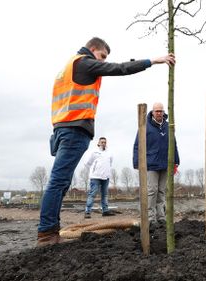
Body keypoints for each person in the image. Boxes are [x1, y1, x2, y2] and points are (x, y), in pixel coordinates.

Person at [37, 37, 175, 247]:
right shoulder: (83, 62)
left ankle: (50, 230)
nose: (101, 62)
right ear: (93, 50)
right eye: (101, 57)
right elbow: (119, 68)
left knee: (61, 182)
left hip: (61, 128)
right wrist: (152, 61)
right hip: (74, 129)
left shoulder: (67, 68)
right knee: (58, 182)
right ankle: (46, 233)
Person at [133, 102, 180, 226]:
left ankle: (161, 216)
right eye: (156, 111)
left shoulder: (168, 126)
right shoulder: (145, 126)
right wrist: (136, 162)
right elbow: (137, 145)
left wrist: (176, 161)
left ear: (164, 112)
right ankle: (150, 218)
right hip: (151, 164)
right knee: (152, 190)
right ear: (152, 112)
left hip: (165, 164)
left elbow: (173, 144)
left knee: (162, 191)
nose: (159, 113)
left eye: (161, 111)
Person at [84, 137, 114, 218]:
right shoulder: (94, 152)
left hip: (106, 177)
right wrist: (92, 172)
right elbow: (87, 163)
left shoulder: (109, 153)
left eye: (105, 142)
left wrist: (107, 172)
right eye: (102, 142)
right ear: (99, 143)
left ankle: (105, 211)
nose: (103, 143)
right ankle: (87, 212)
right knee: (92, 194)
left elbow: (110, 163)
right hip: (95, 177)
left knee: (104, 194)